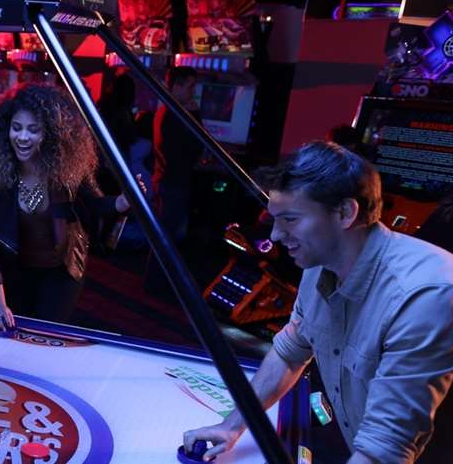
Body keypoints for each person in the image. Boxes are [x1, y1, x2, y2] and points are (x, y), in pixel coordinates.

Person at [183, 142, 453, 464]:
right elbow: (289, 354)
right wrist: (232, 426)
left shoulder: (425, 295)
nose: (277, 235)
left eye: (291, 219)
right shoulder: (319, 267)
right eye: (275, 219)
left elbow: (386, 450)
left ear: (345, 213)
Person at [0, 84, 132, 327]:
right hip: (17, 270)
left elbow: (97, 204)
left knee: (46, 333)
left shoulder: (67, 167)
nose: (23, 137)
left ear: (49, 133)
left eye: (33, 130)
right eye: (16, 128)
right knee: (17, 333)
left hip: (62, 270)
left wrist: (123, 202)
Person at [151, 66, 201, 241]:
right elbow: (197, 144)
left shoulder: (166, 111)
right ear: (177, 87)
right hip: (172, 184)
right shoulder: (173, 114)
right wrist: (195, 115)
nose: (193, 92)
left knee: (166, 237)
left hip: (168, 182)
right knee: (167, 238)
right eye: (190, 87)